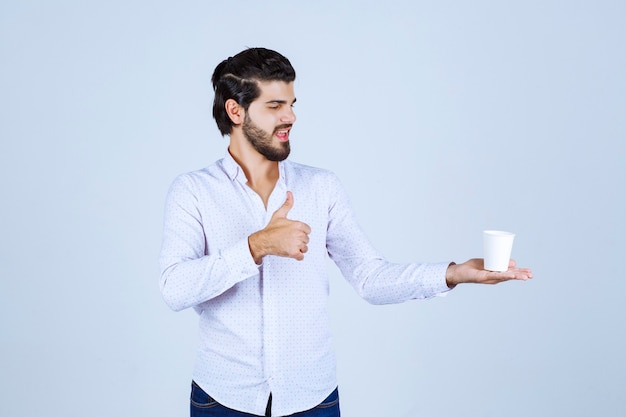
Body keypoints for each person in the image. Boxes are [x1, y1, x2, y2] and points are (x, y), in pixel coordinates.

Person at [158, 47, 533, 417]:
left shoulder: (321, 187)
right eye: (275, 106)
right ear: (235, 111)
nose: (290, 116)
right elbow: (175, 288)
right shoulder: (193, 190)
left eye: (291, 103)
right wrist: (256, 246)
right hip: (224, 399)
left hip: (312, 398)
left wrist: (454, 273)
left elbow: (370, 278)